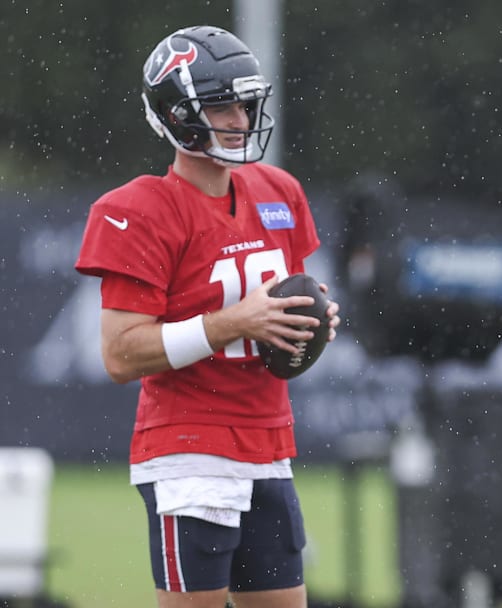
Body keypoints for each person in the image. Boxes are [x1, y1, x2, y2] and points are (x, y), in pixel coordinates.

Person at [74, 25, 340, 608]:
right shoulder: (136, 210)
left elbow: (278, 309)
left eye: (243, 105)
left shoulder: (278, 191)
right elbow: (120, 354)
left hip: (268, 444)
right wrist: (232, 322)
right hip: (190, 450)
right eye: (219, 107)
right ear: (176, 116)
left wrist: (305, 318)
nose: (240, 121)